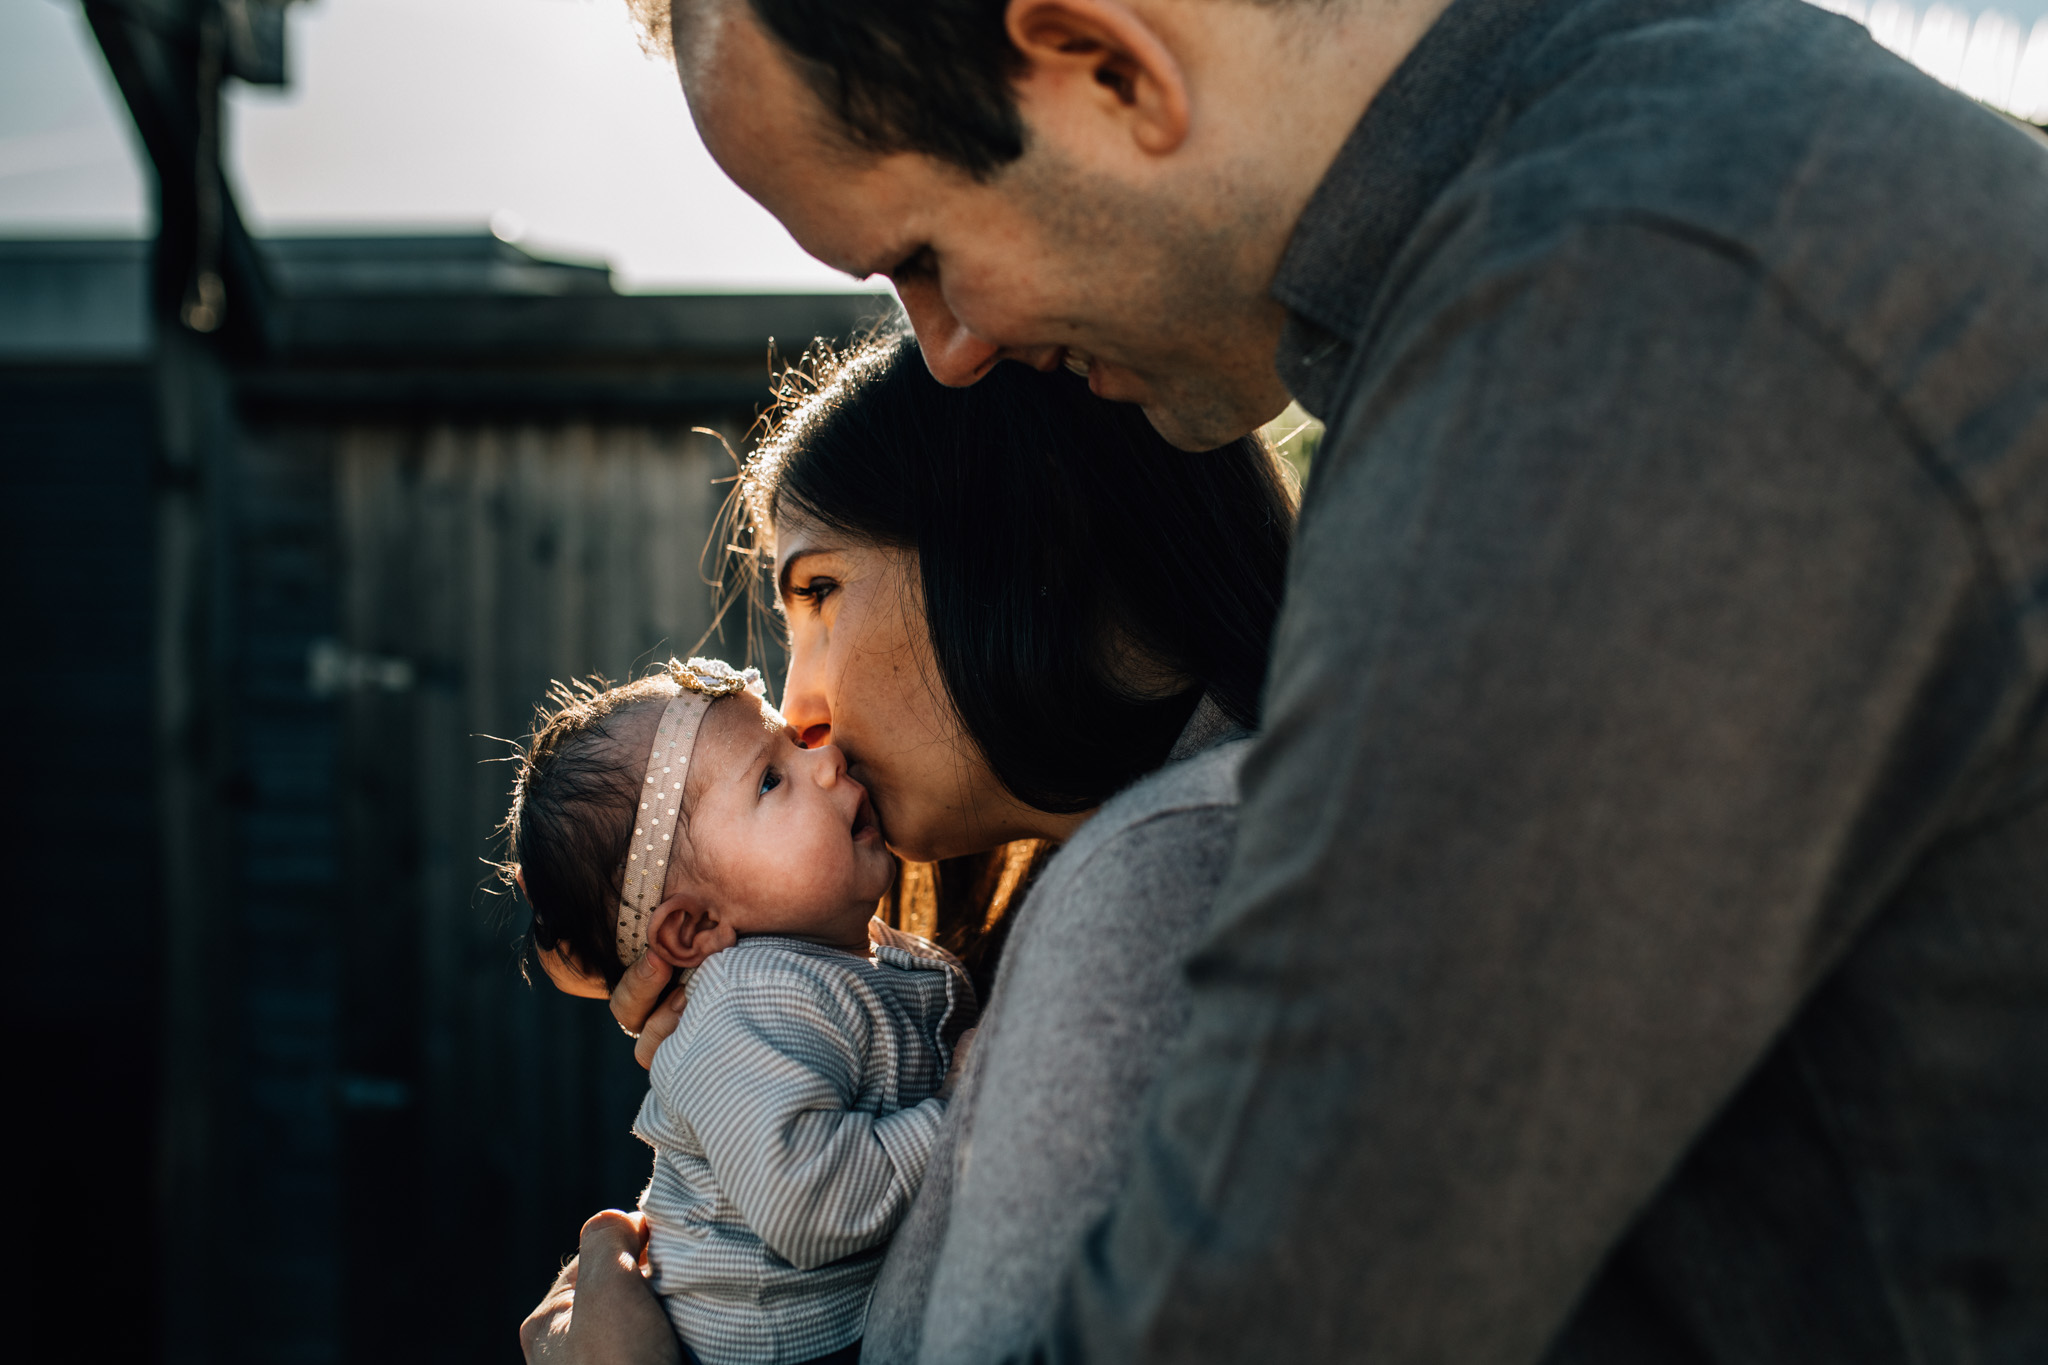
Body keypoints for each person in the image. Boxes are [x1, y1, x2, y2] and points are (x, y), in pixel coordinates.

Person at [563, 0, 2047, 1360]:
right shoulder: (1606, 229)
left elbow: (1279, 1308)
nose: (944, 355)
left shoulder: (1637, 327)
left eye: (924, 258)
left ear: (1103, 58)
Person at [518, 336, 1296, 1364]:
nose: (798, 711)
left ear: (1014, 541)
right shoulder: (1084, 898)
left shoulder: (1162, 884)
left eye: (820, 591)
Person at [503, 655, 976, 1365]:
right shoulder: (742, 1008)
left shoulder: (835, 956)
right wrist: (958, 1107)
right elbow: (813, 1202)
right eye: (771, 779)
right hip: (780, 1347)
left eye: (796, 743)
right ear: (691, 929)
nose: (826, 760)